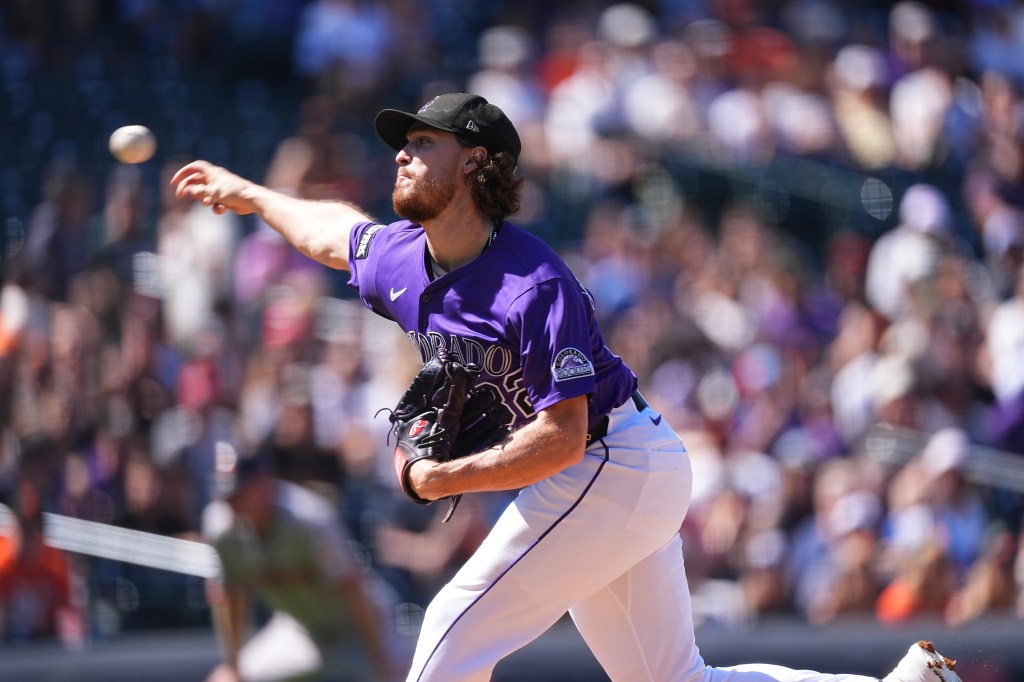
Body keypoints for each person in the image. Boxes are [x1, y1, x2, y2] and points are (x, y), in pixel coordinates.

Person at [173, 92, 963, 682]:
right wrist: (251, 196)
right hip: (620, 470)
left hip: (607, 461)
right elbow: (330, 236)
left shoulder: (531, 283)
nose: (402, 154)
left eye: (424, 141)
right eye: (403, 143)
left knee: (450, 631)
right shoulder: (402, 256)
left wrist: (442, 476)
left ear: (476, 163)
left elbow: (561, 435)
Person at [200, 445, 405, 682]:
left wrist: (383, 665)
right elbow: (230, 597)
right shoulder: (221, 528)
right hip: (300, 632)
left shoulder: (308, 518)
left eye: (239, 493)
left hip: (361, 631)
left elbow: (354, 591)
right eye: (226, 496)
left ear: (263, 483)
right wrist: (234, 668)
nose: (232, 503)